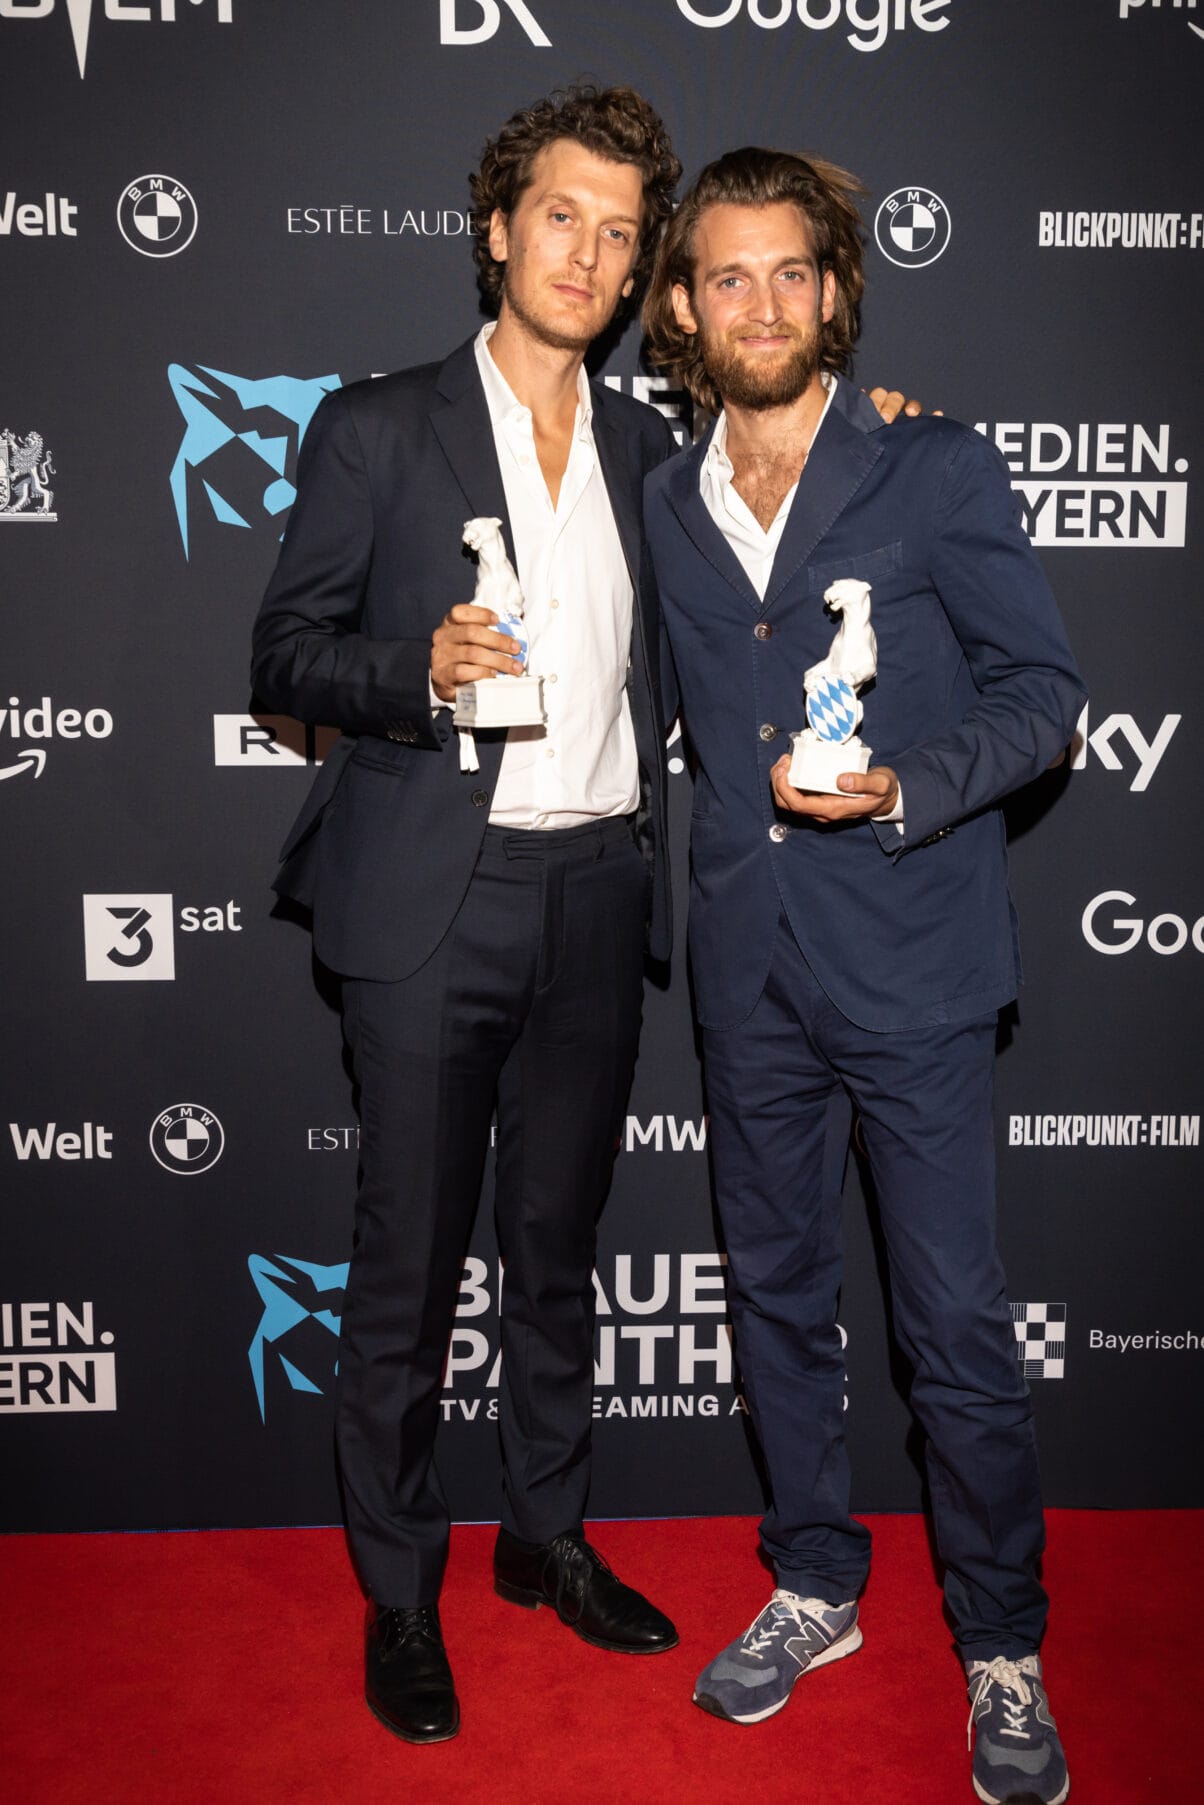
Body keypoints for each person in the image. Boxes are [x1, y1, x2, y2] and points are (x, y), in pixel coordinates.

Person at [252, 87, 915, 1748]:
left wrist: (869, 430)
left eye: (626, 235)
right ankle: (401, 1591)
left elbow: (790, 493)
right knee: (405, 1272)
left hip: (602, 887)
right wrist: (409, 675)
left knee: (556, 1261)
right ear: (498, 228)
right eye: (566, 217)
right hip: (431, 899)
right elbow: (281, 659)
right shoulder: (376, 426)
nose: (594, 254)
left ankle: (544, 1537)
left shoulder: (647, 445)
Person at [642, 148, 1085, 1805]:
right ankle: (816, 1580)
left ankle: (1003, 1646)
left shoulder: (933, 467)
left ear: (836, 288)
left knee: (958, 1325)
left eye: (789, 273)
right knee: (775, 1296)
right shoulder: (659, 489)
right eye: (726, 277)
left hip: (913, 959)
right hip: (746, 969)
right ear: (681, 307)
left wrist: (906, 788)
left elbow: (1045, 697)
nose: (761, 305)